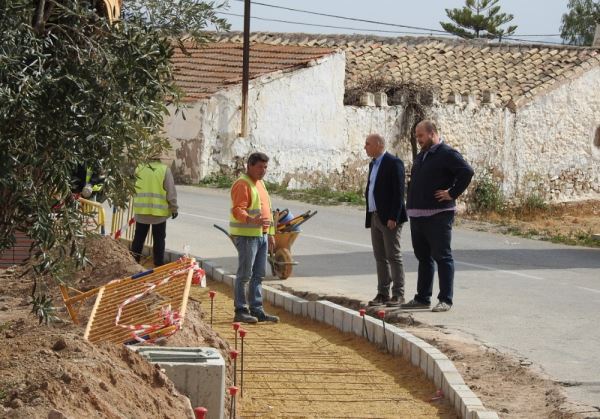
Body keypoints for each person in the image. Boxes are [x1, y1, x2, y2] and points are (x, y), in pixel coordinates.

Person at [402, 120, 474, 312]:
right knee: (423, 257)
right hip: (417, 215)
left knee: (442, 257)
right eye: (417, 136)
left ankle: (445, 300)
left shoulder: (447, 154)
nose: (418, 140)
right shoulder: (422, 155)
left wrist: (451, 193)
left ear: (432, 133)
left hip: (438, 214)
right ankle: (422, 298)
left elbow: (467, 172)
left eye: (421, 136)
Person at [229, 152, 279, 324]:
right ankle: (241, 310)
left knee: (258, 274)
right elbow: (237, 209)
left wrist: (270, 233)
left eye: (265, 167)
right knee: (245, 274)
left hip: (262, 235)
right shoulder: (242, 184)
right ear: (249, 166)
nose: (263, 170)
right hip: (247, 236)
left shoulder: (260, 184)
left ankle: (256, 309)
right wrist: (250, 220)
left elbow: (268, 210)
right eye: (260, 167)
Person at [363, 134, 408, 307]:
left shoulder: (393, 163)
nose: (365, 147)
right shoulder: (373, 164)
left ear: (379, 145)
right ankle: (382, 293)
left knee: (393, 256)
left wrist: (393, 217)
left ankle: (398, 294)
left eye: (367, 144)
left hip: (389, 218)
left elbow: (399, 192)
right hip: (375, 215)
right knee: (380, 257)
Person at [131, 157, 178, 267]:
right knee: (159, 240)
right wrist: (174, 208)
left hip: (141, 211)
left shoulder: (139, 168)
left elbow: (133, 187)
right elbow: (171, 191)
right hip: (159, 214)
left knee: (138, 238)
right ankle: (158, 264)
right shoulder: (164, 170)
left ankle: (133, 263)